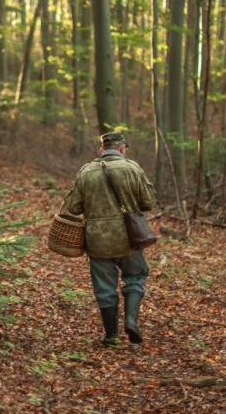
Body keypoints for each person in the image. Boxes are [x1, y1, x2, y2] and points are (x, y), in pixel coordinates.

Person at [64, 131, 156, 346]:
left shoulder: (86, 172)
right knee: (135, 277)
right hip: (129, 237)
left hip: (98, 240)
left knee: (104, 287)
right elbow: (148, 202)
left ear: (101, 150)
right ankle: (131, 321)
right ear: (123, 149)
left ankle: (111, 336)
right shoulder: (132, 168)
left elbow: (73, 207)